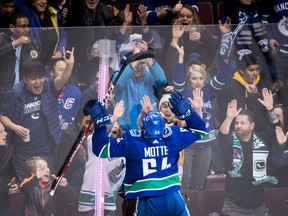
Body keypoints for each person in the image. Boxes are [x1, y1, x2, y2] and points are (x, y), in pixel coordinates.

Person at [89, 92, 207, 215]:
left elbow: (100, 149)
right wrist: (188, 113)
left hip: (144, 198)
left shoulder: (132, 140)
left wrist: (100, 126)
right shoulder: (172, 135)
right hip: (173, 196)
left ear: (142, 128)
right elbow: (200, 130)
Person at [0, 47, 74, 182]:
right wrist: (15, 127)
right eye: (33, 78)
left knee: (45, 189)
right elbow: (3, 116)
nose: (38, 82)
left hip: (47, 150)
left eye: (40, 77)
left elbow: (62, 80)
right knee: (27, 188)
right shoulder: (15, 93)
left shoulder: (49, 86)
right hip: (23, 152)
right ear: (25, 79)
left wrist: (70, 65)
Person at [219, 99, 278, 216]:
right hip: (234, 208)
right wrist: (229, 118)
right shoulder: (231, 141)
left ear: (252, 125)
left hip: (258, 207)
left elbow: (274, 127)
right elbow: (223, 135)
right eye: (236, 123)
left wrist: (270, 109)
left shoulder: (261, 141)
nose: (238, 126)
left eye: (242, 123)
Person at [78, 100, 126, 216]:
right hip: (92, 196)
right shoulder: (92, 140)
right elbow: (102, 132)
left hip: (109, 198)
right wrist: (113, 118)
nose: (112, 126)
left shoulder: (121, 146)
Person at [112, 42, 167, 131]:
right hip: (125, 130)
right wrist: (135, 58)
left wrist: (147, 55)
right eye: (136, 62)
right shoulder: (119, 74)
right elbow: (118, 84)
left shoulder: (150, 75)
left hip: (149, 129)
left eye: (142, 63)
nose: (139, 66)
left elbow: (162, 81)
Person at [217, 52, 274, 134]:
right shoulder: (229, 88)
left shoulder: (264, 86)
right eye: (251, 70)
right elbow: (222, 116)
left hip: (260, 132)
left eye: (257, 69)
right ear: (241, 71)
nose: (255, 73)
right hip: (236, 132)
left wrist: (253, 97)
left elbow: (266, 116)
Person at [164, 4, 219, 84]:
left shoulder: (201, 31)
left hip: (200, 73)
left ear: (193, 19)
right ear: (178, 18)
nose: (185, 18)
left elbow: (215, 52)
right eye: (182, 15)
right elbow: (168, 63)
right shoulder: (172, 32)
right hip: (179, 73)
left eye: (188, 16)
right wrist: (175, 38)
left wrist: (202, 38)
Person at [0, 12, 42, 103]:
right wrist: (14, 44)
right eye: (23, 26)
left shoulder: (34, 44)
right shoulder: (2, 41)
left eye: (28, 26)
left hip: (26, 91)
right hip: (4, 91)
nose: (27, 30)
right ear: (12, 27)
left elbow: (38, 67)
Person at [14, 0, 67, 65]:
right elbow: (17, 3)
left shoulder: (54, 14)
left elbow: (62, 35)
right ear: (32, 2)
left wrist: (59, 50)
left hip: (51, 62)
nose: (44, 2)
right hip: (33, 62)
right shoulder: (27, 13)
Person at [49, 57, 82, 131]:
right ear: (52, 72)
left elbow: (77, 117)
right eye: (61, 70)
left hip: (67, 136)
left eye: (67, 70)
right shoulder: (44, 90)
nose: (65, 73)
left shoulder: (76, 93)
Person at [0, 121, 18, 216]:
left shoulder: (9, 151)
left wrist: (16, 185)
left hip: (4, 200)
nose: (5, 133)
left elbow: (16, 174)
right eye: (1, 132)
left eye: (4, 130)